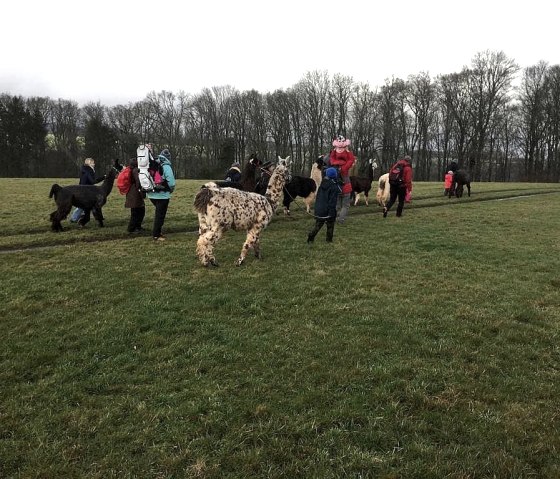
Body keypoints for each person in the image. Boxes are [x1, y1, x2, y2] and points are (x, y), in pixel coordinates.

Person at [146, 149, 176, 241]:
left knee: (159, 213)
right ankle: (156, 235)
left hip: (151, 194)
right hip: (162, 196)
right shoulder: (166, 166)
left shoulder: (154, 163)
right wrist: (170, 190)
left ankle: (158, 232)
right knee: (160, 215)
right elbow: (171, 183)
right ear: (168, 158)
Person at [307, 167, 341, 243]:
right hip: (328, 209)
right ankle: (329, 240)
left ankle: (311, 236)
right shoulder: (334, 187)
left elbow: (319, 197)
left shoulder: (322, 184)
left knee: (318, 224)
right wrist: (332, 212)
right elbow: (332, 201)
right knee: (330, 224)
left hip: (319, 208)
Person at [329, 135, 355, 224]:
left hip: (336, 186)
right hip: (345, 186)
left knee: (337, 205)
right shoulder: (345, 166)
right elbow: (351, 159)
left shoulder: (333, 167)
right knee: (345, 205)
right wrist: (347, 151)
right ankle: (341, 220)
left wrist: (334, 152)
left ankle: (333, 218)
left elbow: (331, 158)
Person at [69, 157, 105, 222]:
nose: (94, 164)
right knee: (83, 205)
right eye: (93, 163)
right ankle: (74, 218)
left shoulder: (86, 169)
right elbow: (93, 181)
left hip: (84, 189)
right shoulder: (88, 170)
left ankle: (77, 217)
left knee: (83, 205)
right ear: (89, 163)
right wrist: (103, 177)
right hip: (85, 191)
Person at [124, 158, 145, 233]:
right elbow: (138, 182)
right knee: (137, 212)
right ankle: (132, 228)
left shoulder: (131, 169)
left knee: (137, 211)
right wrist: (141, 190)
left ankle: (137, 227)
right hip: (135, 193)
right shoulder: (136, 170)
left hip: (132, 192)